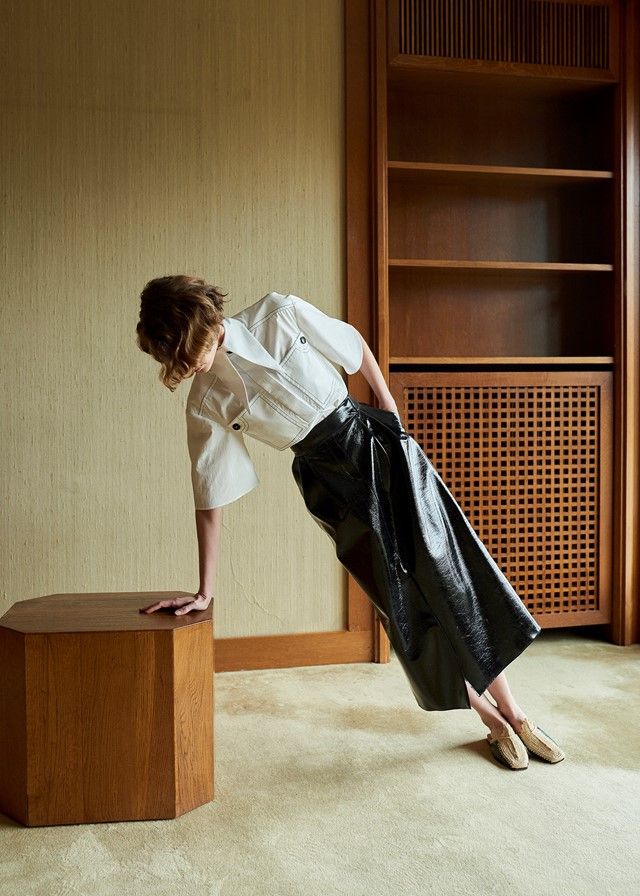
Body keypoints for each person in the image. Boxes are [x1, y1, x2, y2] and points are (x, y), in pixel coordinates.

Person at [135, 274, 565, 770]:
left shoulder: (278, 314)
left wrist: (386, 403)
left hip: (374, 444)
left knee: (451, 575)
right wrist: (205, 589)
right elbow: (211, 492)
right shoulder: (206, 401)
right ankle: (490, 719)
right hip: (327, 484)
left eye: (185, 350)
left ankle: (516, 713)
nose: (185, 366)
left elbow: (352, 345)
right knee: (400, 609)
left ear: (199, 322)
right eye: (172, 360)